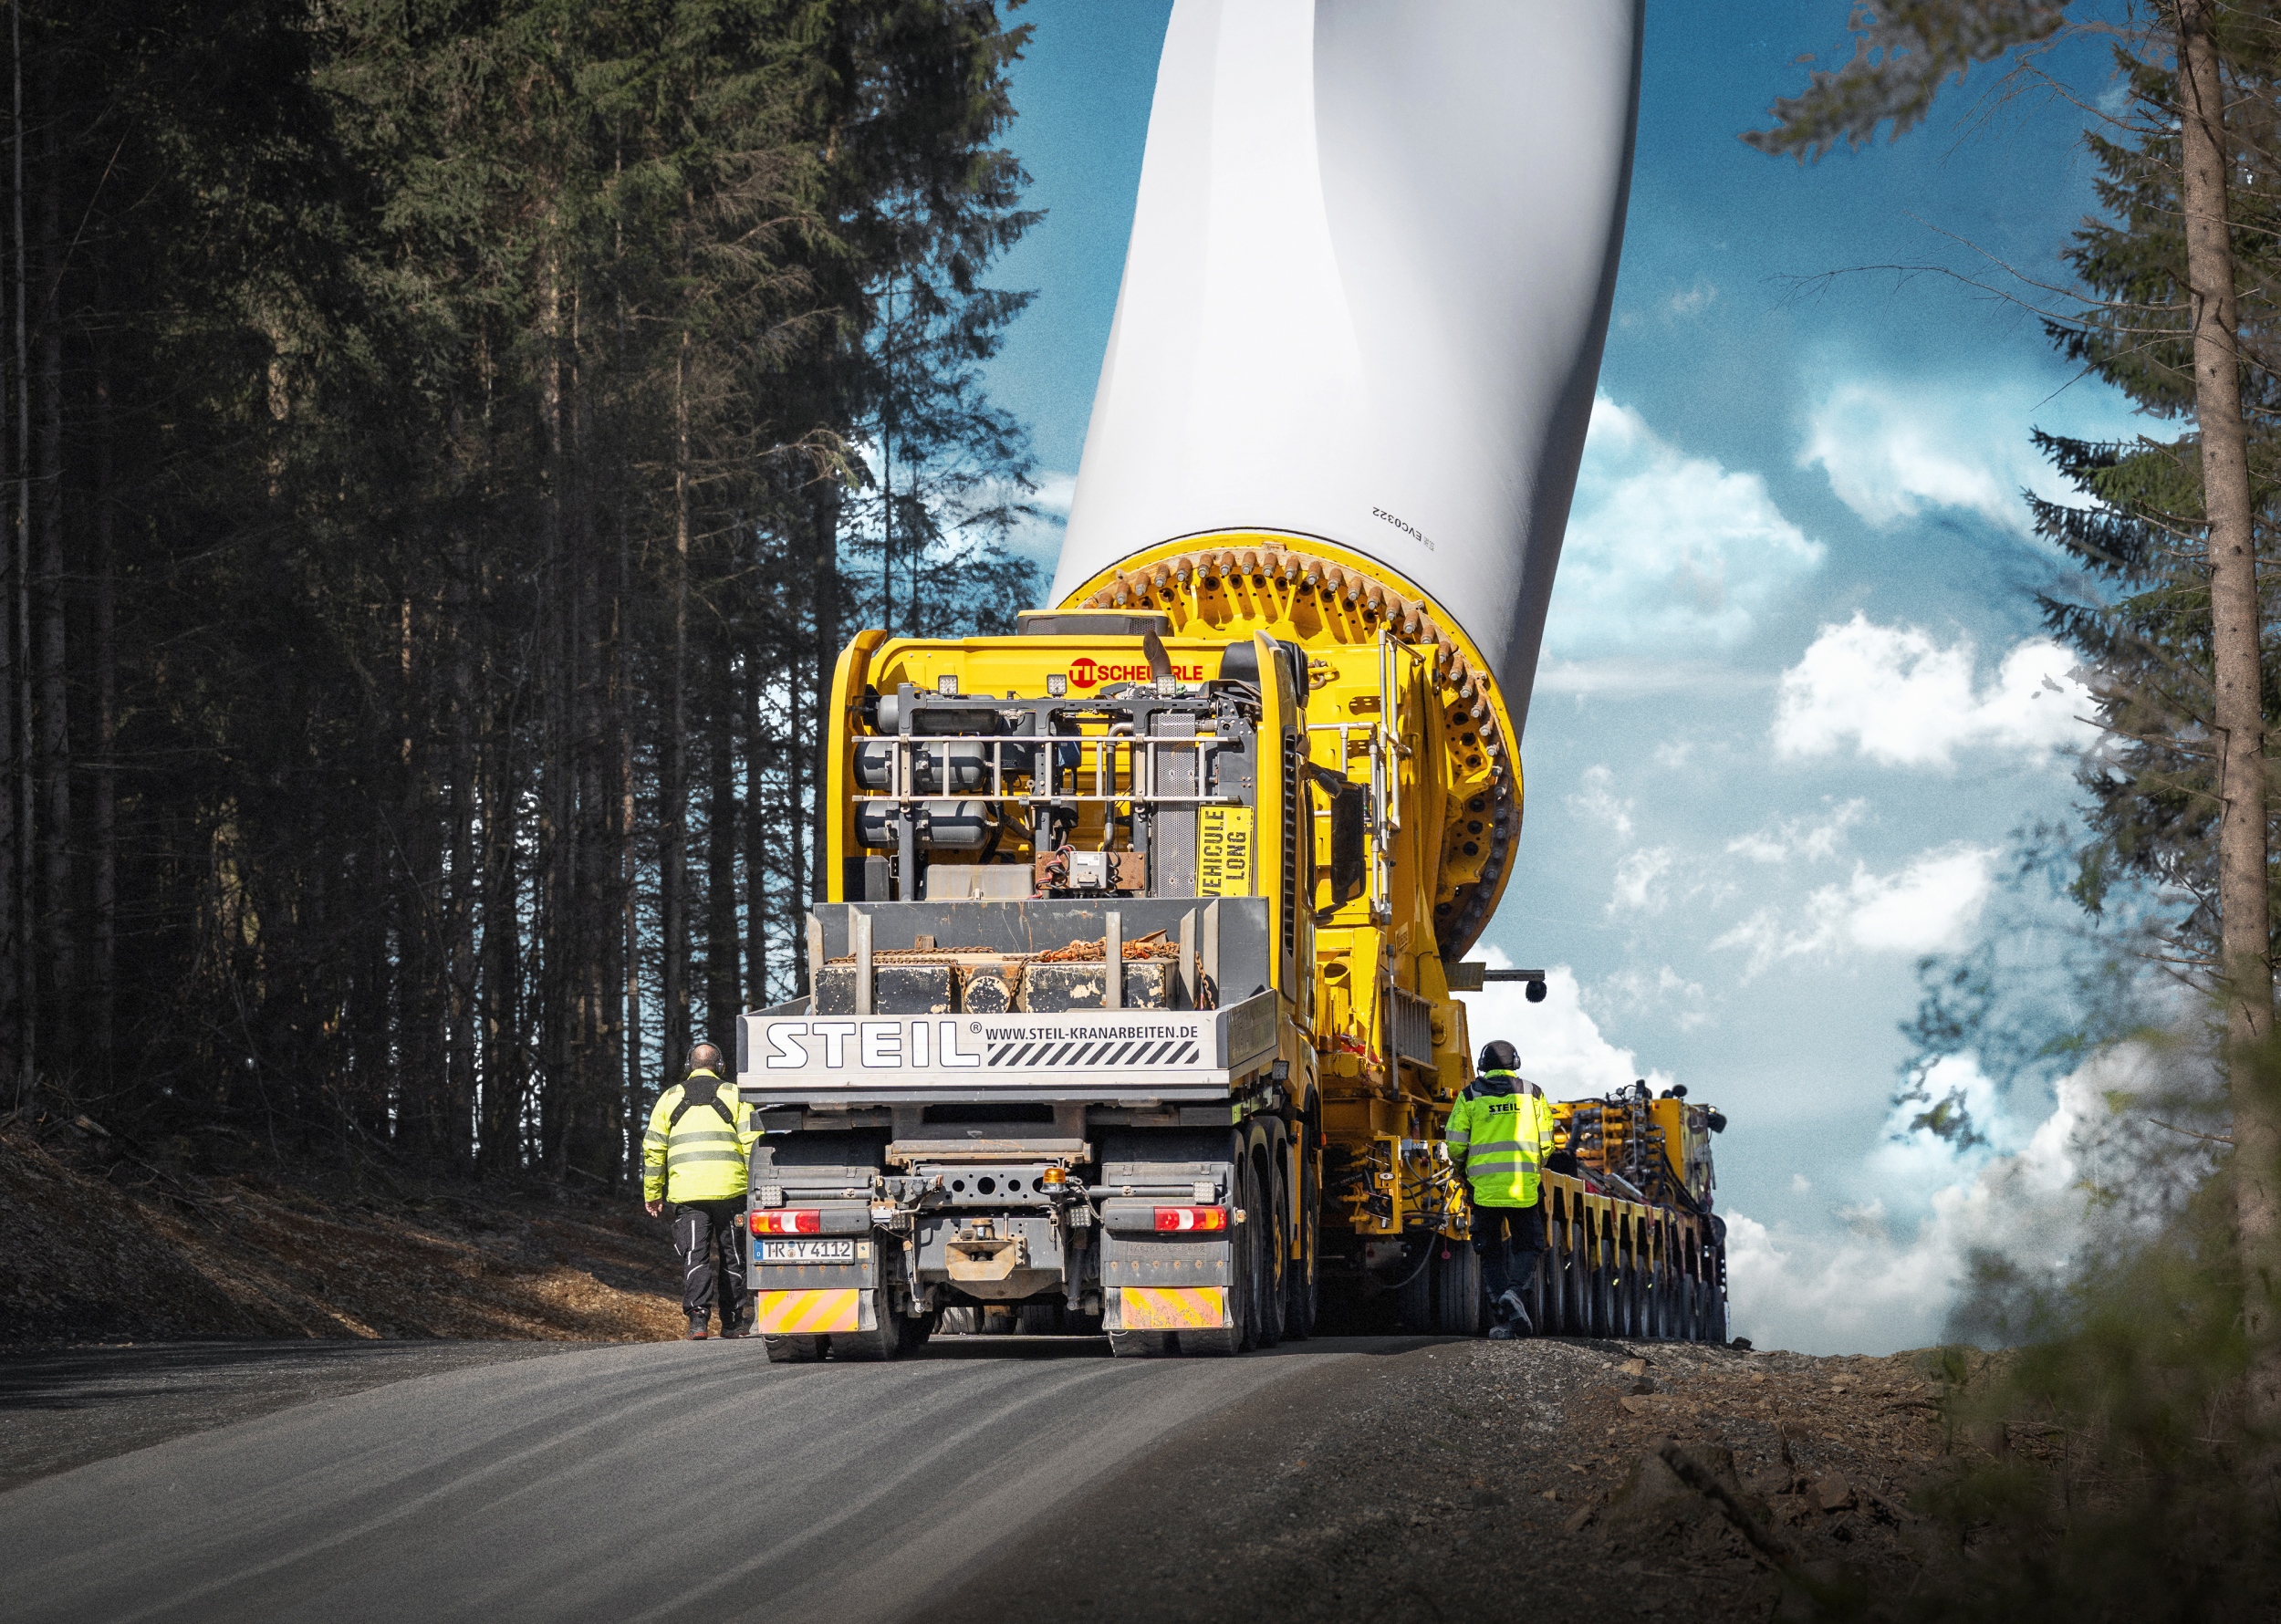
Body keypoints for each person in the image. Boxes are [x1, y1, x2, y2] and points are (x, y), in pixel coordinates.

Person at [641, 1043, 759, 1340]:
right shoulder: (736, 1095)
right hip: (732, 1193)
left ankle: (698, 1322)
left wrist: (652, 1193)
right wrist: (757, 1189)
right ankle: (733, 1323)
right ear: (720, 1066)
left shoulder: (668, 1098)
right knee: (734, 1257)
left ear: (689, 1065)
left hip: (688, 1194)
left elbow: (654, 1149)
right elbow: (753, 1144)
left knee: (695, 1256)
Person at [1446, 1038, 1557, 1340]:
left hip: (1485, 1192)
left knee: (1490, 1251)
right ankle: (1514, 1292)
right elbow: (1547, 1143)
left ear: (1483, 1066)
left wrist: (1463, 1170)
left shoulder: (1469, 1096)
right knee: (1529, 1245)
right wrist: (1534, 1164)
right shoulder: (1533, 1094)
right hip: (1523, 1190)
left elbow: (1455, 1144)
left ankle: (1505, 1316)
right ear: (1515, 1064)